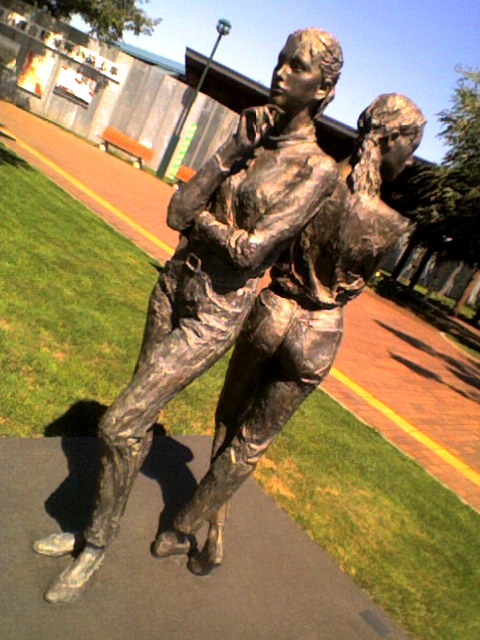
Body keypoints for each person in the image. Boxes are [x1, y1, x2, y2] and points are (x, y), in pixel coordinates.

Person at [33, 27, 344, 603]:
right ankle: (90, 531)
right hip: (174, 283)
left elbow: (251, 252)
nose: (280, 72)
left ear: (323, 89)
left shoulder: (318, 170)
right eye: (280, 60)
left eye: (297, 67)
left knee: (118, 422)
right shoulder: (249, 132)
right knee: (135, 421)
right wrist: (229, 155)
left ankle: (94, 547)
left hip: (217, 311)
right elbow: (177, 209)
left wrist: (206, 223)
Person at [154, 93, 426, 576]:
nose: (411, 160)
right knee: (251, 444)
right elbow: (355, 287)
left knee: (229, 418)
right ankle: (187, 529)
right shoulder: (394, 225)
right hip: (320, 333)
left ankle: (211, 528)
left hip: (272, 312)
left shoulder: (314, 180)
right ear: (391, 138)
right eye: (412, 146)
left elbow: (269, 244)